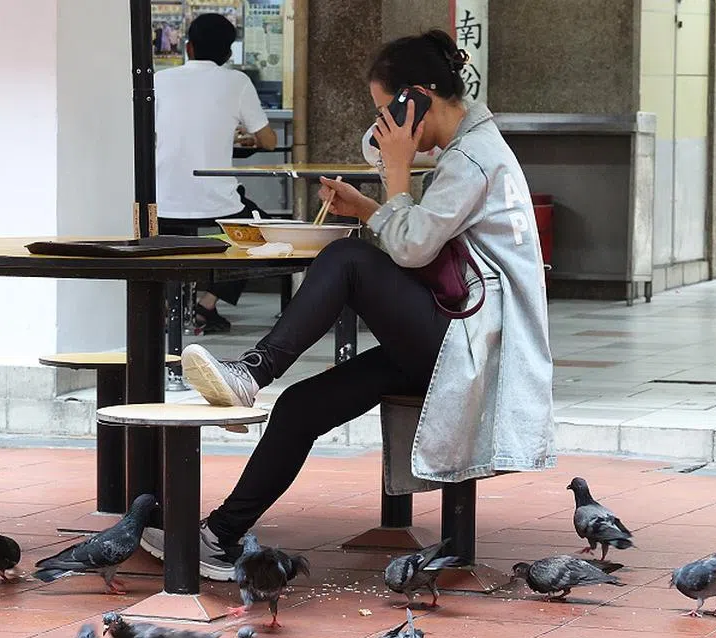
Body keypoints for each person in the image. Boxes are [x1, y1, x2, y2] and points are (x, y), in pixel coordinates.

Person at [147, 30, 555, 580]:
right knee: (300, 407)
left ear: (417, 99)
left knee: (346, 260)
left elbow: (411, 248)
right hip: (459, 329)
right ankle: (220, 536)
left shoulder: (474, 158)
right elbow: (419, 234)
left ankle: (253, 373)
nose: (382, 126)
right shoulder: (469, 149)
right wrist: (369, 205)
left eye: (389, 111)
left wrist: (395, 170)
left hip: (476, 343)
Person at [154, 13, 277, 333]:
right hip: (220, 204)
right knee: (264, 234)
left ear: (188, 47)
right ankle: (205, 305)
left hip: (161, 201)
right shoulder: (236, 82)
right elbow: (268, 140)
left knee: (170, 242)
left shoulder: (159, 80)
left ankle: (170, 307)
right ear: (228, 53)